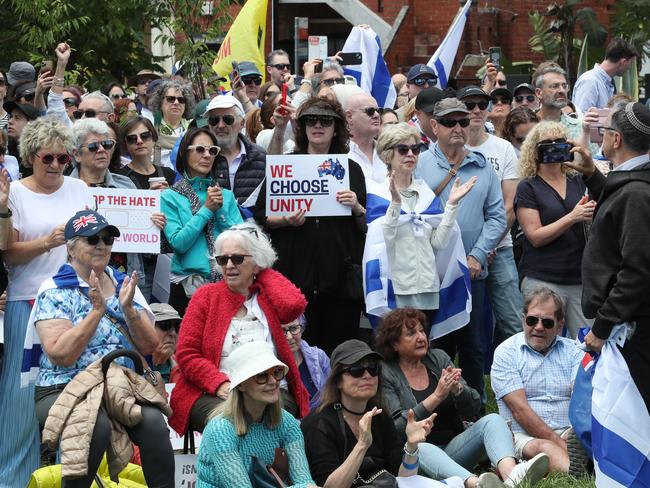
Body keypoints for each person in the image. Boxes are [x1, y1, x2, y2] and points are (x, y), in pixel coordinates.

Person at [32, 209, 174, 487]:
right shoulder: (53, 290)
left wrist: (129, 309)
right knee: (92, 428)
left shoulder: (124, 285)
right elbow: (61, 355)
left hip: (119, 385)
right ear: (70, 249)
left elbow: (150, 346)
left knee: (154, 424)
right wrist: (97, 312)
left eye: (107, 239)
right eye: (92, 239)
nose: (101, 245)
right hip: (63, 386)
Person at [0, 117, 94, 485]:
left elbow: (95, 244)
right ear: (30, 157)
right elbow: (7, 253)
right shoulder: (16, 193)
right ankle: (12, 479)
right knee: (22, 400)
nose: (56, 165)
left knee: (73, 397)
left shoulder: (79, 189)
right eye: (47, 158)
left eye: (63, 158)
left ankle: (64, 478)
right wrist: (48, 242)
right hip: (28, 302)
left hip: (74, 302)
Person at [378, 308, 549, 487]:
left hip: (454, 449)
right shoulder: (386, 372)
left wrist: (458, 390)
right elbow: (396, 428)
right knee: (420, 447)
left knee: (493, 420)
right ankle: (477, 484)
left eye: (422, 331)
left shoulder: (438, 358)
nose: (421, 337)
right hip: (414, 460)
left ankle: (512, 477)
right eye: (411, 333)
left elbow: (473, 407)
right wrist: (436, 397)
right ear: (394, 344)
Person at [168, 223, 310, 434]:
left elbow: (294, 305)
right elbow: (187, 355)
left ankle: (258, 466)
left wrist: (263, 271)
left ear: (257, 262)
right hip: (213, 390)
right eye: (222, 260)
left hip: (269, 387)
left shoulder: (268, 297)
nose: (229, 266)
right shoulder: (205, 297)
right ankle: (247, 467)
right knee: (229, 424)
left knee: (265, 417)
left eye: (238, 258)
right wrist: (220, 384)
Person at [254, 97, 367, 355]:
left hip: (338, 283)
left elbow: (363, 226)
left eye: (325, 121)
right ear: (302, 128)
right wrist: (285, 220)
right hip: (294, 278)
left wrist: (357, 207)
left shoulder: (350, 169)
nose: (318, 125)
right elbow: (262, 214)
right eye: (310, 121)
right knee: (294, 355)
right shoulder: (288, 165)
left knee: (339, 354)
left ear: (336, 127)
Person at [416, 97, 506, 402]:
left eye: (463, 122)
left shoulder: (483, 167)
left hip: (470, 273)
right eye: (450, 122)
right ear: (434, 126)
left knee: (473, 346)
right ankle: (435, 409)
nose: (458, 128)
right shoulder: (418, 163)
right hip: (429, 273)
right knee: (433, 343)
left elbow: (496, 216)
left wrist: (477, 255)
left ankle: (474, 407)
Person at [301, 339, 467, 488]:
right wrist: (362, 445)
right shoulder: (319, 423)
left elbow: (404, 478)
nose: (367, 376)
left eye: (373, 369)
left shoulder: (380, 415)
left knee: (455, 483)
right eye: (357, 370)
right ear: (338, 380)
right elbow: (329, 487)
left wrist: (411, 447)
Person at [579, 102, 650, 414]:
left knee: (634, 415)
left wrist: (603, 326)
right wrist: (592, 176)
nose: (600, 138)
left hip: (634, 328)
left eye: (604, 131)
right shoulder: (636, 183)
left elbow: (637, 270)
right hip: (632, 323)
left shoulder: (637, 194)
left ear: (617, 139)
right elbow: (618, 203)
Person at [375, 123, 475, 332]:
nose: (411, 154)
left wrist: (451, 206)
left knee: (423, 350)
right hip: (397, 290)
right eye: (403, 149)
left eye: (416, 149)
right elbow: (382, 241)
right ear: (387, 155)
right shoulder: (377, 193)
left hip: (428, 289)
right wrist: (395, 203)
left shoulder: (425, 193)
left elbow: (438, 243)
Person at [491, 287, 586, 475]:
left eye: (548, 322)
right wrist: (559, 443)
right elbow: (520, 411)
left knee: (589, 436)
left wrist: (573, 435)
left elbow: (581, 399)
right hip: (525, 435)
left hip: (569, 430)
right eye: (532, 320)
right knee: (546, 448)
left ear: (560, 325)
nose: (539, 327)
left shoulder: (574, 351)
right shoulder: (506, 352)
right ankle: (581, 473)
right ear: (523, 319)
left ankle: (585, 463)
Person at [514, 121, 595, 337]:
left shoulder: (578, 180)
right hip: (543, 276)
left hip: (578, 276)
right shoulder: (528, 186)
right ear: (534, 149)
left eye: (559, 142)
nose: (553, 147)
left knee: (585, 342)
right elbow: (535, 236)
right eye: (546, 143)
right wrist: (573, 217)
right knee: (542, 341)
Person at [197, 341, 317, 488]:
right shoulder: (220, 430)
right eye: (261, 375)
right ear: (240, 385)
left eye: (276, 372)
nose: (273, 381)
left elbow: (304, 479)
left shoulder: (287, 422)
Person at [457, 85, 523, 349]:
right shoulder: (450, 147)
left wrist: (487, 247)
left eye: (481, 105)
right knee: (464, 327)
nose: (476, 110)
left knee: (513, 322)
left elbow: (510, 204)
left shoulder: (504, 148)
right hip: (459, 249)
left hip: (500, 248)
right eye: (469, 105)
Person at [161, 127, 243, 316]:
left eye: (212, 150)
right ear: (184, 152)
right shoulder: (169, 196)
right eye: (200, 149)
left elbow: (241, 243)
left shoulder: (226, 196)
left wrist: (220, 210)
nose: (207, 155)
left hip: (227, 284)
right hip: (187, 287)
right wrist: (206, 210)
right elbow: (179, 243)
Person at [205, 94, 267, 206]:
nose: (220, 125)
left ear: (242, 123)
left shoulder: (260, 157)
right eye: (214, 120)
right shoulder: (201, 157)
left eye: (228, 119)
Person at [572, 38, 638, 114]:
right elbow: (582, 117)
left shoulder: (608, 83)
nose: (629, 68)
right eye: (631, 63)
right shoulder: (590, 81)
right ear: (623, 62)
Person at [282, 315, 330, 411]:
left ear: (302, 328)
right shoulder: (271, 364)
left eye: (294, 328)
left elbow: (332, 392)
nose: (289, 337)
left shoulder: (319, 357)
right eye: (282, 330)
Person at [117, 116, 176, 187]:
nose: (139, 141)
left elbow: (188, 197)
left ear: (153, 139)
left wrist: (169, 194)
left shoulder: (169, 174)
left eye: (145, 136)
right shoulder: (119, 178)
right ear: (125, 144)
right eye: (132, 138)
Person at [148, 80, 195, 166]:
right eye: (171, 99)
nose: (176, 103)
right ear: (160, 102)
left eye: (181, 100)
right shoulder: (150, 130)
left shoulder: (193, 129)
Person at [345, 92, 385, 184]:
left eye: (379, 111)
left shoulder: (389, 150)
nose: (377, 115)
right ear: (349, 117)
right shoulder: (339, 154)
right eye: (370, 111)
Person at [149, 302, 181, 383]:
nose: (173, 333)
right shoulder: (130, 365)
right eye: (165, 325)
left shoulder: (186, 367)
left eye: (177, 327)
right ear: (146, 329)